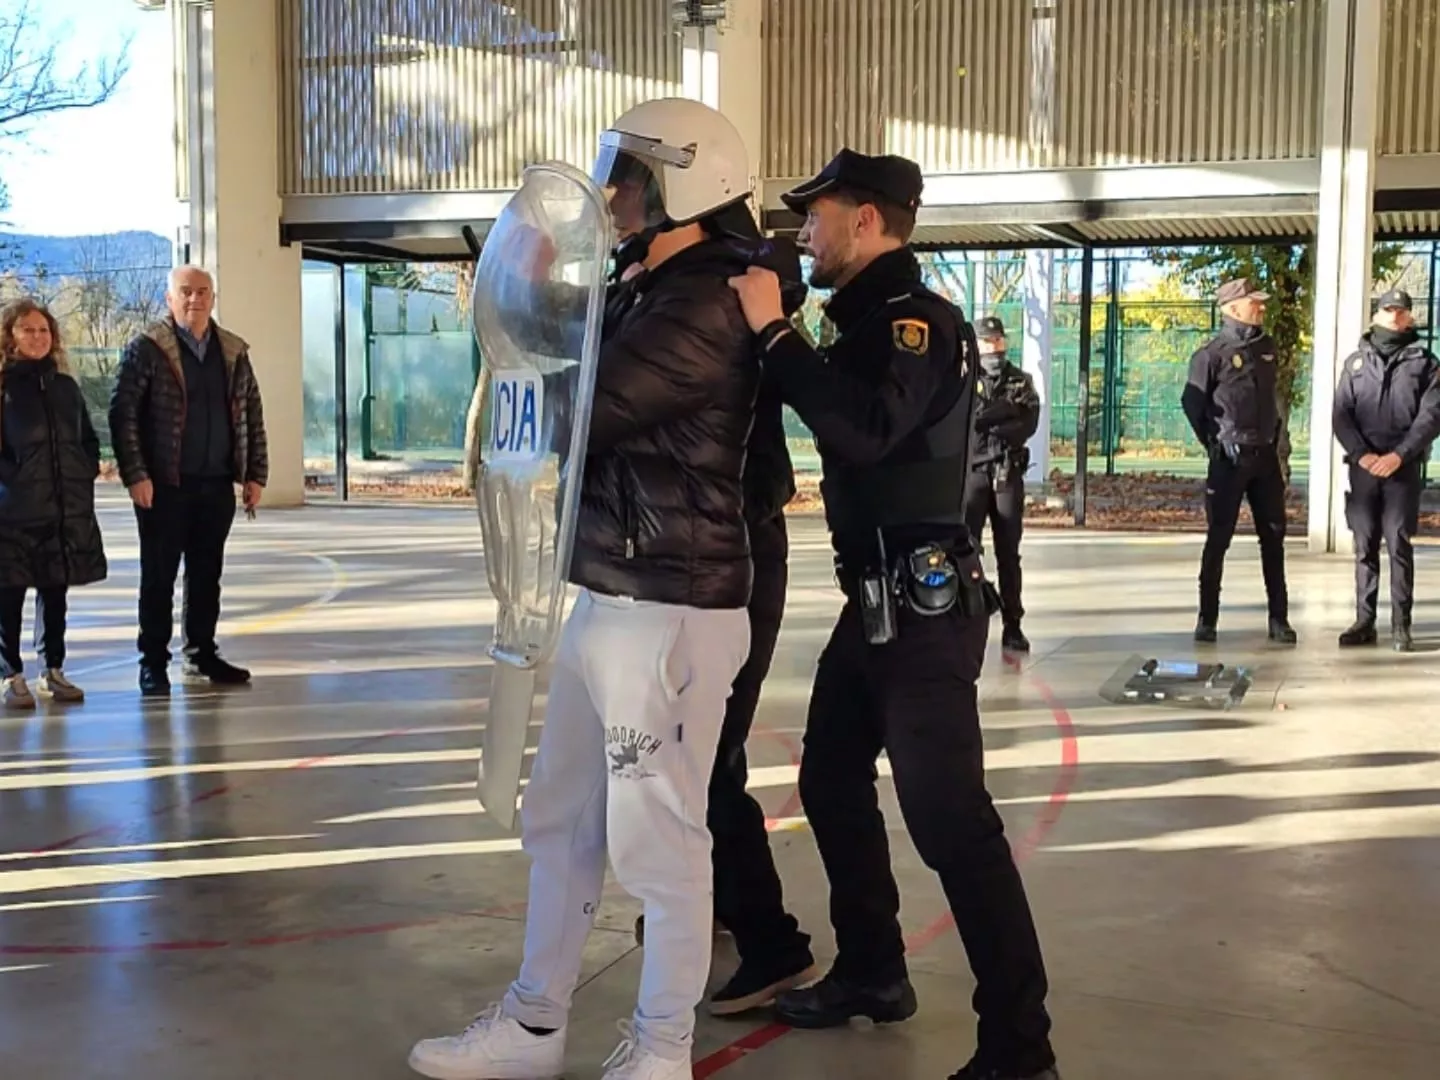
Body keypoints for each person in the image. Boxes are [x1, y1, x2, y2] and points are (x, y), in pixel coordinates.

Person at [409, 98, 776, 1080]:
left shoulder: (705, 299)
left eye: (630, 173)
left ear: (682, 184)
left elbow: (585, 410)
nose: (610, 192)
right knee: (562, 817)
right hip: (610, 591)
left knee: (659, 844)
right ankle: (535, 1027)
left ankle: (661, 1048)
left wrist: (527, 317)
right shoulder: (639, 286)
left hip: (670, 607)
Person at [729, 148, 1060, 1080]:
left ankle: (1020, 1049)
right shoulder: (866, 319)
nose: (806, 232)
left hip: (924, 609)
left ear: (866, 221)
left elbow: (866, 427)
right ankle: (875, 969)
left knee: (953, 822)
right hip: (873, 606)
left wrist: (773, 334)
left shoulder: (917, 324)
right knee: (832, 779)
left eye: (818, 216)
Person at [632, 217, 819, 1018]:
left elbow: (777, 274)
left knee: (706, 759)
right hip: (699, 552)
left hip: (738, 551)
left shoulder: (734, 299)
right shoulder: (673, 300)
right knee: (702, 754)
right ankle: (704, 901)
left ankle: (773, 941)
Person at [109, 265, 267, 696]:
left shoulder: (233, 351)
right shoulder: (146, 350)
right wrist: (136, 475)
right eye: (185, 292)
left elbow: (251, 414)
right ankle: (153, 663)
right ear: (169, 299)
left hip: (215, 486)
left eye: (202, 292)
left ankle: (201, 654)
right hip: (163, 488)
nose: (194, 300)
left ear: (213, 298)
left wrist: (255, 473)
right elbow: (122, 416)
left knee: (206, 575)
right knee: (158, 577)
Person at [0, 299, 107, 709]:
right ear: (10, 336)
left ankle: (53, 668)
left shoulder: (66, 388)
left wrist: (85, 467)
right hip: (12, 513)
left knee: (54, 592)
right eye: (27, 329)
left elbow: (87, 439)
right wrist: (14, 483)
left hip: (62, 509)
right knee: (8, 594)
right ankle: (10, 674)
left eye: (43, 330)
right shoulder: (4, 389)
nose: (37, 337)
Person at [1180, 277, 1297, 645]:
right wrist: (1214, 441)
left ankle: (1279, 619)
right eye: (1254, 303)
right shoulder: (1210, 354)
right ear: (1232, 309)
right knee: (1218, 539)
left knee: (1274, 538)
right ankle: (1207, 618)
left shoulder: (1267, 347)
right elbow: (1192, 404)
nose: (1260, 308)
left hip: (1264, 459)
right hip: (1229, 460)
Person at [1333, 288, 1440, 652]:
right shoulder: (1355, 363)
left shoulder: (1426, 363)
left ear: (1409, 317)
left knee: (1398, 543)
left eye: (1401, 311)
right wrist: (1362, 455)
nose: (1394, 316)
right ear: (1376, 315)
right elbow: (1341, 414)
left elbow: (1431, 416)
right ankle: (1365, 621)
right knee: (1364, 544)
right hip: (1363, 468)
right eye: (1388, 310)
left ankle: (1400, 623)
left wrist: (1400, 455)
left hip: (1402, 468)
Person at [963, 315, 1041, 654]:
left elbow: (1026, 424)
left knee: (1009, 553)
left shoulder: (1020, 380)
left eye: (998, 341)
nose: (994, 348)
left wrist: (994, 418)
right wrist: (1002, 412)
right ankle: (968, 617)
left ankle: (1013, 625)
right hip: (974, 474)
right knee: (966, 549)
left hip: (1007, 473)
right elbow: (970, 420)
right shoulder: (964, 379)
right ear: (976, 346)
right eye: (987, 342)